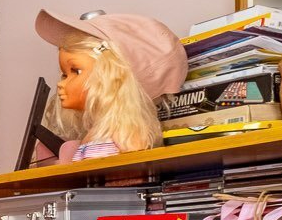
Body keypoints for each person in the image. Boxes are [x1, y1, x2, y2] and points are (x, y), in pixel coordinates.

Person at [35, 9, 187, 160]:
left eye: (76, 71)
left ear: (111, 76)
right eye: (64, 74)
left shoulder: (128, 133)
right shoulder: (94, 134)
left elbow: (133, 171)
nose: (61, 83)